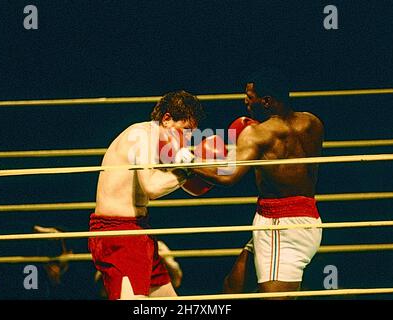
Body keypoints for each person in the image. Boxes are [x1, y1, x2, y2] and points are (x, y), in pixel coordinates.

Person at [191, 68, 324, 298]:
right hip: (307, 217)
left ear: (266, 101)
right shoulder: (312, 123)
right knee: (233, 288)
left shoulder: (257, 134)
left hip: (279, 226)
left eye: (249, 97)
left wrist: (186, 162)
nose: (245, 101)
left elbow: (227, 176)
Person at [88, 90, 204, 300]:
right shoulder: (142, 137)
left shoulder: (158, 143)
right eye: (185, 130)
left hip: (139, 230)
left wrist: (192, 171)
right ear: (167, 119)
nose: (187, 139)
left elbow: (169, 183)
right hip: (119, 233)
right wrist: (187, 171)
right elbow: (152, 187)